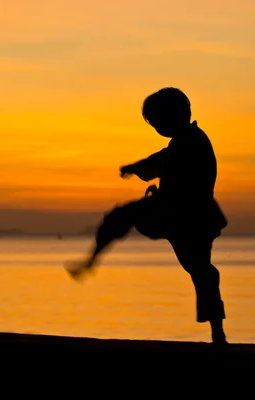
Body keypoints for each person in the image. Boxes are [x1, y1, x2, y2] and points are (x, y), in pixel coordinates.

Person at [65, 87, 229, 346]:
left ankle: (218, 333)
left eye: (158, 122)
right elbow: (163, 160)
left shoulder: (190, 142)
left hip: (186, 215)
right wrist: (140, 169)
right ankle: (218, 334)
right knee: (197, 268)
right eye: (154, 124)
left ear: (175, 115)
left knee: (199, 269)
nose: (157, 128)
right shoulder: (187, 139)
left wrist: (139, 169)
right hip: (184, 214)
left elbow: (165, 163)